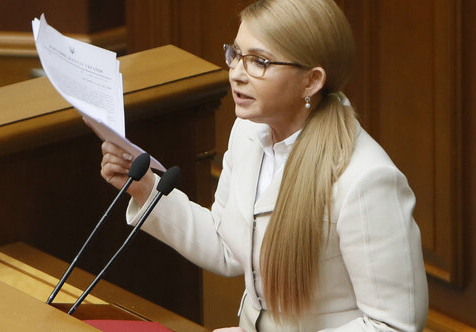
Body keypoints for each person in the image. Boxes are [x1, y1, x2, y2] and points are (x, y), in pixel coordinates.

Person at [99, 0, 428, 330]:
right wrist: (146, 191)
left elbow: (393, 325)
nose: (237, 74)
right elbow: (228, 245)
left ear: (311, 81)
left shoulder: (366, 179)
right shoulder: (247, 132)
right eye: (236, 54)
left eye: (259, 61)